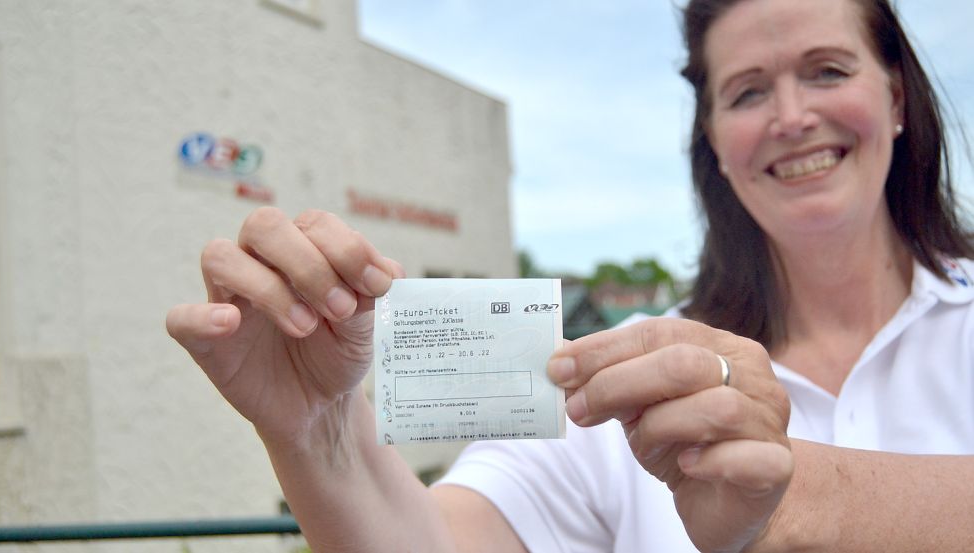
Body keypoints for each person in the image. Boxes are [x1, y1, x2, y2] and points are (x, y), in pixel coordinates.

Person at [166, 0, 974, 550]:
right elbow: (435, 539)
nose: (791, 115)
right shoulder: (631, 379)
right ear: (716, 143)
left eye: (828, 70)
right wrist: (316, 434)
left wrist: (794, 499)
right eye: (747, 91)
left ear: (898, 98)